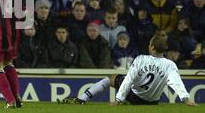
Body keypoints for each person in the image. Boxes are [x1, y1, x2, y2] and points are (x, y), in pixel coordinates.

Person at [61, 35, 197, 106]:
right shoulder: (170, 64)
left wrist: (118, 99)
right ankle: (128, 99)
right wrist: (186, 99)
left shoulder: (141, 59)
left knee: (112, 78)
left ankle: (82, 99)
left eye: (150, 44)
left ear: (153, 48)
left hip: (136, 97)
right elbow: (177, 84)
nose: (149, 46)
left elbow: (128, 80)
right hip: (153, 102)